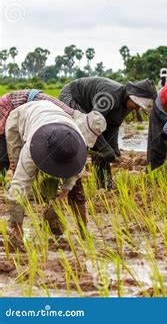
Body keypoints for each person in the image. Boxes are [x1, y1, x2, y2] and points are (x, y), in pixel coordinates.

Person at [5, 101, 106, 247]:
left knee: (60, 184)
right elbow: (19, 185)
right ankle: (15, 226)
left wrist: (59, 201)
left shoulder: (78, 145)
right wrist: (16, 226)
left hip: (53, 121)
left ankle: (54, 212)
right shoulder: (31, 149)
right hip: (21, 118)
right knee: (19, 176)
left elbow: (75, 175)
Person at [59, 77, 157, 189]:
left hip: (92, 109)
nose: (137, 109)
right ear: (131, 97)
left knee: (102, 147)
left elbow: (113, 126)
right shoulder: (109, 97)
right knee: (84, 139)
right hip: (73, 97)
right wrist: (105, 148)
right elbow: (91, 125)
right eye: (137, 105)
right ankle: (69, 182)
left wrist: (115, 151)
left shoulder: (127, 105)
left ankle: (105, 185)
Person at [0, 89, 75, 177]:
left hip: (24, 106)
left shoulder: (64, 116)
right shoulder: (65, 118)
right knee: (5, 153)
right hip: (10, 108)